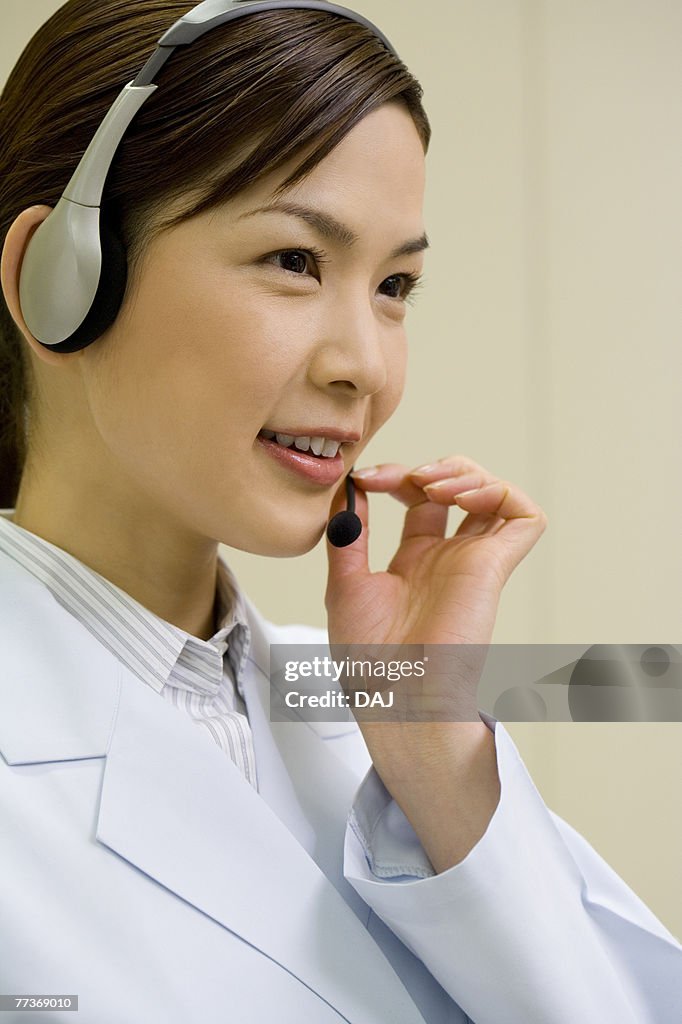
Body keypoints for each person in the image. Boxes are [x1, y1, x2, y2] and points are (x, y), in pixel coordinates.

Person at [0, 2, 680, 1022]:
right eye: (295, 261)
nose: (365, 365)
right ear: (59, 279)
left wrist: (439, 763)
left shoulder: (378, 706)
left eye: (395, 283)